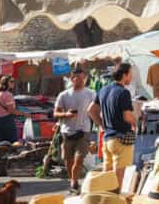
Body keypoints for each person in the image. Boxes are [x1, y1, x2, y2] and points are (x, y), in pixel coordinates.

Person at [88, 62, 136, 191]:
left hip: (107, 138)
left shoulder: (103, 90)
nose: (131, 77)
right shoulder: (123, 92)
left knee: (107, 176)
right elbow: (127, 116)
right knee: (119, 179)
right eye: (130, 74)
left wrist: (102, 125)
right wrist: (135, 122)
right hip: (121, 138)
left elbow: (91, 110)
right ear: (124, 75)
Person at [53, 66, 96, 194]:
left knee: (79, 159)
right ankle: (73, 179)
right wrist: (66, 115)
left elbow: (96, 109)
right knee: (68, 159)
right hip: (67, 131)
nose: (82, 80)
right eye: (78, 78)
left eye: (84, 78)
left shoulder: (91, 93)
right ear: (72, 79)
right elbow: (55, 113)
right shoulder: (64, 95)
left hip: (83, 132)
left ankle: (74, 182)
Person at [0, 75, 19, 144]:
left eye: (14, 81)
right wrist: (24, 114)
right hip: (7, 119)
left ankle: (3, 154)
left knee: (2, 142)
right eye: (11, 82)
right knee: (14, 142)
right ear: (5, 83)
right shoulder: (8, 95)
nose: (13, 83)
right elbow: (11, 110)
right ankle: (12, 154)